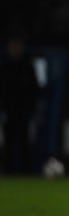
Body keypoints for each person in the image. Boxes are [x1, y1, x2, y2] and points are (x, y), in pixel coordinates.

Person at [0, 34, 40, 174]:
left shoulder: (28, 67)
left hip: (25, 112)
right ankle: (8, 170)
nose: (15, 48)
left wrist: (32, 109)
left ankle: (26, 172)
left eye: (18, 45)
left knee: (25, 143)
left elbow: (35, 89)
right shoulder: (5, 67)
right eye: (13, 45)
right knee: (8, 143)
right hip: (9, 111)